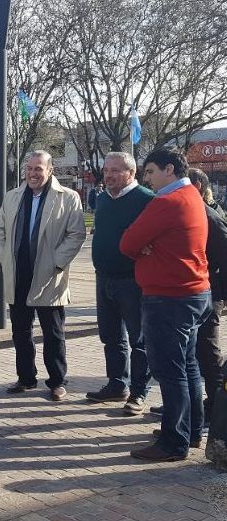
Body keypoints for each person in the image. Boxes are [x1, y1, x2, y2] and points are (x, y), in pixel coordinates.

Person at [121, 147, 210, 461]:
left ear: (169, 169)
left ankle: (174, 442)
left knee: (171, 373)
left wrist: (148, 246)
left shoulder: (168, 201)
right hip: (192, 294)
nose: (148, 179)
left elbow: (128, 242)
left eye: (150, 172)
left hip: (169, 298)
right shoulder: (193, 196)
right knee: (187, 367)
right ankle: (190, 430)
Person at [0, 151, 86, 401]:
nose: (33, 173)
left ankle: (57, 381)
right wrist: (3, 259)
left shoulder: (68, 198)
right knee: (20, 331)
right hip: (18, 273)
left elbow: (76, 234)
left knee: (53, 332)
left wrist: (57, 262)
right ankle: (26, 378)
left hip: (48, 275)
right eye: (30, 168)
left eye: (39, 169)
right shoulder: (12, 197)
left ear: (50, 170)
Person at [85, 152, 154, 415]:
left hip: (132, 281)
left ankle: (139, 392)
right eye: (106, 171)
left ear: (131, 173)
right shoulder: (103, 199)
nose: (109, 175)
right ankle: (117, 383)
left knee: (139, 339)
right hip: (104, 277)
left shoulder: (146, 200)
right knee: (111, 337)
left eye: (115, 170)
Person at [187, 168, 227, 426]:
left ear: (198, 188)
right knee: (195, 353)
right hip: (193, 295)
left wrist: (218, 297)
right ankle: (196, 404)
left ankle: (216, 407)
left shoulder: (210, 218)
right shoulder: (192, 214)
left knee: (208, 353)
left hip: (208, 295)